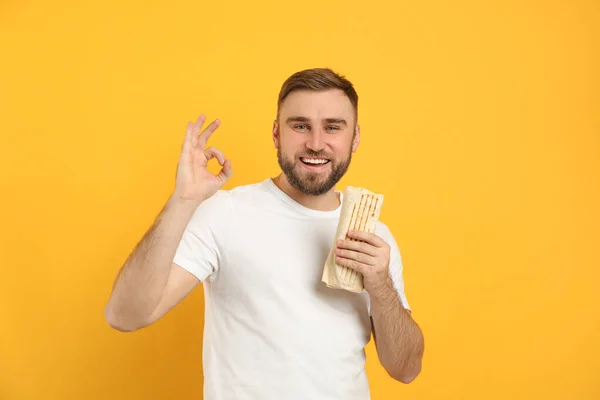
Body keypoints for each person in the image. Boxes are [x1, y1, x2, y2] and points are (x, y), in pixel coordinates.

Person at [104, 68, 425, 399]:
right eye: (300, 126)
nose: (316, 143)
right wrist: (182, 201)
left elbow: (406, 369)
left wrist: (380, 285)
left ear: (354, 138)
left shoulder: (373, 238)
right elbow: (124, 315)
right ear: (276, 134)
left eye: (332, 127)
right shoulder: (225, 213)